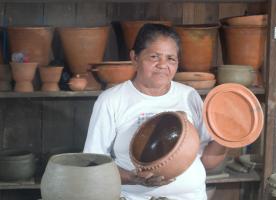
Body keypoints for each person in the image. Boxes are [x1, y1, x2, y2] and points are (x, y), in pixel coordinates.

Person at [84, 23, 227, 200]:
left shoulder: (189, 96)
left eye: (171, 59)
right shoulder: (112, 100)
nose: (162, 65)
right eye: (154, 57)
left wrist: (227, 136)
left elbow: (207, 161)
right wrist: (133, 178)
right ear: (134, 58)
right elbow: (94, 163)